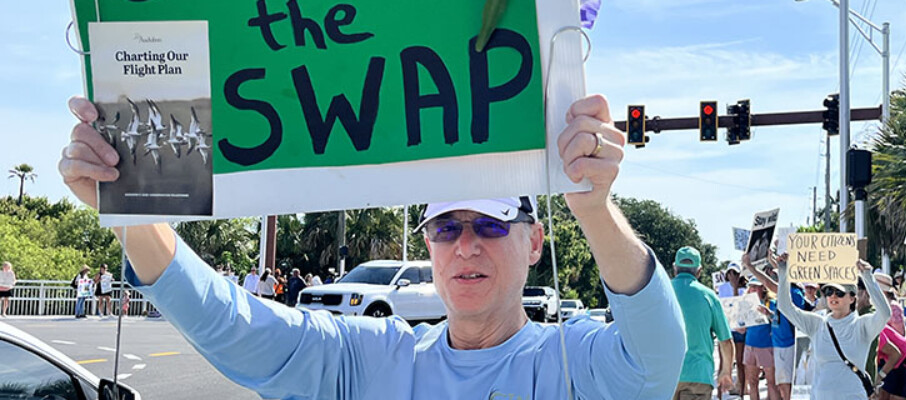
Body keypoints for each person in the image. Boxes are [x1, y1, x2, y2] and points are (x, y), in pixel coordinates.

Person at [58, 94, 685, 398]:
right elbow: (234, 324)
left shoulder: (572, 362)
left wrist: (594, 207)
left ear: (534, 242)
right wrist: (130, 209)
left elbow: (658, 358)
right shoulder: (376, 360)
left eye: (490, 225)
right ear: (429, 248)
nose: (466, 247)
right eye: (446, 228)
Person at [776, 259, 890, 400]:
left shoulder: (862, 326)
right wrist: (783, 271)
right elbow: (784, 307)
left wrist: (867, 276)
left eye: (839, 292)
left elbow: (885, 313)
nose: (833, 296)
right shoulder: (817, 323)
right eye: (829, 291)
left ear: (852, 298)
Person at [742, 249, 811, 400]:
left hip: (787, 344)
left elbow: (767, 282)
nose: (776, 275)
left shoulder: (791, 291)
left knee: (785, 389)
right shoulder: (792, 291)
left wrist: (750, 267)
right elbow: (783, 316)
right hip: (783, 342)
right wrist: (772, 258)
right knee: (783, 387)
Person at [669, 246, 734, 400]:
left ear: (674, 268)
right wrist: (726, 372)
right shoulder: (709, 296)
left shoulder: (661, 292)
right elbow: (725, 341)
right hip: (698, 375)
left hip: (664, 375)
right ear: (699, 271)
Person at [715, 261, 748, 397]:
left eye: (735, 273)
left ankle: (741, 390)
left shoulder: (743, 290)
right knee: (724, 362)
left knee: (740, 362)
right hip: (726, 329)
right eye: (730, 273)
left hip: (739, 329)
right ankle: (719, 393)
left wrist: (735, 288)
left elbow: (738, 307)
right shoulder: (721, 288)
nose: (732, 275)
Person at [741, 278, 776, 400]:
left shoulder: (771, 303)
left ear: (763, 288)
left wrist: (768, 313)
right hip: (750, 346)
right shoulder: (746, 305)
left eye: (756, 286)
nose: (753, 289)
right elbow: (742, 329)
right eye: (751, 286)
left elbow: (778, 322)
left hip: (767, 346)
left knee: (771, 382)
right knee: (752, 382)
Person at [874, 324, 906, 400]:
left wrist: (879, 377)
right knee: (883, 394)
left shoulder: (876, 334)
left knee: (896, 396)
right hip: (891, 361)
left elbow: (896, 355)